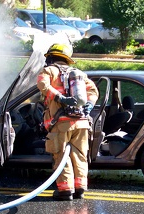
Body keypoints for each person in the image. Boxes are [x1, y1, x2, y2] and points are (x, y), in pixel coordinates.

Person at [37, 43, 99, 201]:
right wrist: (88, 107)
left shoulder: (49, 71)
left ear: (51, 57)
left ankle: (65, 191)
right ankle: (80, 189)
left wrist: (59, 98)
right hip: (82, 123)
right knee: (80, 156)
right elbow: (93, 91)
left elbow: (42, 84)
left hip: (61, 123)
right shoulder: (78, 73)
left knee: (61, 155)